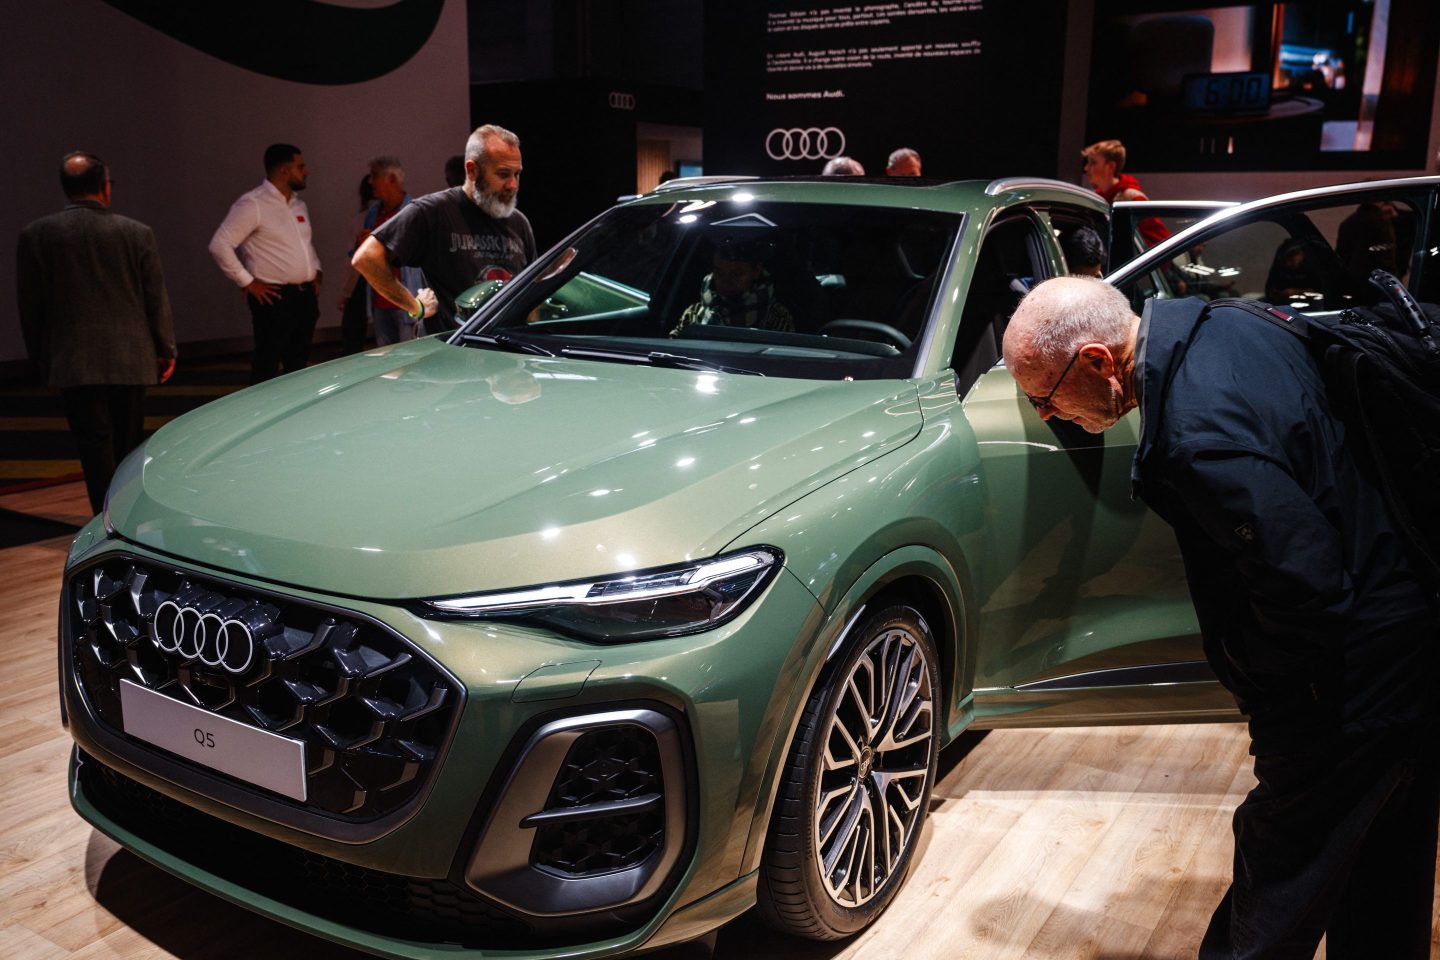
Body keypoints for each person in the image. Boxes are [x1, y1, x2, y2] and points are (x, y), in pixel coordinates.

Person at [1002, 276, 1439, 959]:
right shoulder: (1226, 322)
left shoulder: (1197, 437)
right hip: (1411, 624)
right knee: (1385, 869)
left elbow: (1306, 586)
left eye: (1045, 397)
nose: (1049, 416)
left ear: (1096, 360)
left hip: (1355, 675)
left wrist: (1267, 689)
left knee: (1276, 889)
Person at [17, 151, 177, 513]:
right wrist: (166, 347)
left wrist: (40, 357)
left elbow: (31, 305)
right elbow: (154, 295)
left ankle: (101, 517)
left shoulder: (37, 235)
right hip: (131, 355)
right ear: (105, 186)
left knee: (92, 444)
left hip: (73, 358)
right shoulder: (135, 232)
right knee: (129, 443)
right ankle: (128, 514)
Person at [352, 124, 536, 334]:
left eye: (517, 174)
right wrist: (416, 307)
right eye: (503, 174)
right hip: (451, 353)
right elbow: (367, 258)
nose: (513, 185)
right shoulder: (433, 212)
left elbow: (531, 290)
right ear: (472, 170)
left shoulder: (518, 223)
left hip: (503, 349)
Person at [209, 143, 323, 383]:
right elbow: (220, 244)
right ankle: (261, 417)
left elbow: (303, 244)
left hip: (303, 297)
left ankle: (296, 416)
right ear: (284, 171)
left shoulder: (298, 204)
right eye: (300, 166)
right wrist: (248, 282)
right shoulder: (253, 204)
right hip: (274, 298)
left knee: (298, 365)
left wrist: (316, 270)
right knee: (267, 366)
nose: (307, 171)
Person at [360, 156, 426, 345]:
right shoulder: (373, 213)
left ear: (392, 179)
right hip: (380, 302)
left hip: (407, 302)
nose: (370, 181)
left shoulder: (415, 211)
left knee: (411, 360)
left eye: (374, 176)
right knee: (389, 364)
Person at [670, 241, 796, 336]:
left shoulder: (775, 315)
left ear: (756, 271)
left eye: (737, 274)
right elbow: (674, 347)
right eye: (719, 273)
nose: (726, 281)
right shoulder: (694, 312)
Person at [1081, 139, 1168, 249]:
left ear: (1111, 166)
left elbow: (1161, 243)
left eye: (1093, 163)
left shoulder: (1133, 199)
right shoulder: (1096, 199)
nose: (1086, 168)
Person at [337, 172, 375, 354]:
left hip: (365, 280)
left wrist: (346, 293)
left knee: (353, 335)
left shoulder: (363, 218)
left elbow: (353, 260)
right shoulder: (364, 218)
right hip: (368, 280)